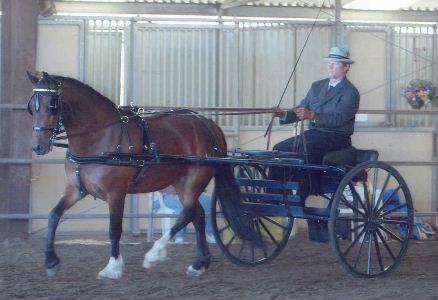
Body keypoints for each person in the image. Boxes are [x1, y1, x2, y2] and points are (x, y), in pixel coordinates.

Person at [270, 46, 360, 195]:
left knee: (305, 150)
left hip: (337, 137)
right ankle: (275, 196)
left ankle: (304, 191)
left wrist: (312, 116)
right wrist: (282, 114)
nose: (330, 66)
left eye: (335, 63)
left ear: (346, 67)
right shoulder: (317, 86)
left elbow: (339, 119)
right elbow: (302, 108)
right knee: (279, 148)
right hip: (315, 134)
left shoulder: (350, 92)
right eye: (329, 62)